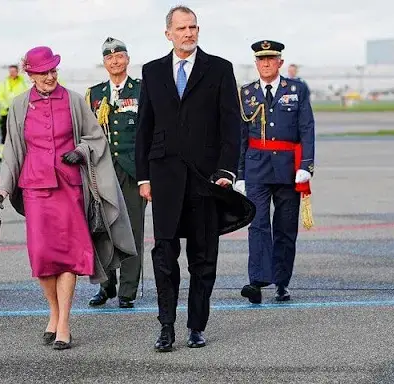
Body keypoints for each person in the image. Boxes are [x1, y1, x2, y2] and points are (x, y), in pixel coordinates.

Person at [0, 46, 136, 350]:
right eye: (43, 72)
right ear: (31, 74)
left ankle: (64, 324)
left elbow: (95, 137)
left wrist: (81, 151)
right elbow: (14, 151)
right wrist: (3, 188)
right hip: (35, 190)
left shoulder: (72, 100)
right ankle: (54, 314)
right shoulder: (19, 105)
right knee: (43, 259)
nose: (50, 77)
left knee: (69, 255)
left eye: (53, 70)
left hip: (69, 188)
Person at [135, 5, 250, 352]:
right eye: (182, 28)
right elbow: (144, 129)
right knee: (164, 253)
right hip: (165, 175)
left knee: (203, 257)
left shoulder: (219, 69)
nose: (189, 33)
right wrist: (143, 177)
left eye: (194, 27)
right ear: (168, 33)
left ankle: (196, 325)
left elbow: (232, 125)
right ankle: (166, 326)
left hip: (206, 180)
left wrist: (227, 171)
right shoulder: (152, 72)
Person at [235, 40, 315, 304]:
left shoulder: (296, 89)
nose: (266, 63)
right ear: (256, 63)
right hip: (256, 166)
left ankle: (281, 282)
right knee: (257, 225)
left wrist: (306, 167)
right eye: (261, 59)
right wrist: (240, 174)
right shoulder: (245, 93)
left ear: (280, 62)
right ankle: (257, 281)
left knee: (284, 227)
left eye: (271, 59)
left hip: (287, 168)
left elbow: (307, 129)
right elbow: (241, 137)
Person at [86, 37, 146, 309]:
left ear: (127, 60)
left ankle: (128, 291)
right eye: (109, 58)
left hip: (133, 172)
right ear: (104, 62)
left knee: (132, 230)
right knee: (103, 228)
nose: (115, 61)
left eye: (119, 56)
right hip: (103, 171)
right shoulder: (95, 94)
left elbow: (150, 134)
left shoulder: (142, 91)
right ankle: (106, 285)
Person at [0, 65, 30, 163]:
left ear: (17, 71)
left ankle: (21, 155)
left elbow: (26, 95)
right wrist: (6, 105)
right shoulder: (4, 83)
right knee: (5, 134)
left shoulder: (23, 82)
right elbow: (0, 96)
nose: (12, 73)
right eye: (10, 71)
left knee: (21, 134)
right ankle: (2, 155)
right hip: (6, 113)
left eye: (14, 71)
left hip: (19, 112)